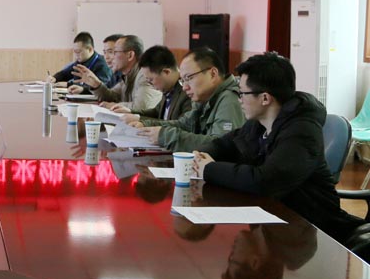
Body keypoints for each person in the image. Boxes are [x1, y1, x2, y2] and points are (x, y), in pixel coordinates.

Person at [193, 53, 365, 244]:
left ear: (265, 98)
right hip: (275, 221)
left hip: (314, 230)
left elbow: (265, 181)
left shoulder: (302, 132)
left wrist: (209, 169)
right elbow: (225, 144)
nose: (239, 99)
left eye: (242, 93)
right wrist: (202, 155)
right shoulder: (258, 123)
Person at [135, 48, 245, 152]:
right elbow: (184, 124)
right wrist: (146, 125)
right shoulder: (204, 97)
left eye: (189, 78)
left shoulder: (230, 100)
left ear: (213, 74)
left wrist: (166, 136)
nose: (184, 87)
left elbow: (221, 147)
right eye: (183, 80)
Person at [73, 34, 161, 112]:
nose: (110, 57)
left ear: (130, 55)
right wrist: (97, 85)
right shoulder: (127, 75)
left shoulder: (144, 75)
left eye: (114, 52)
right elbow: (113, 96)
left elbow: (142, 107)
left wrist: (114, 105)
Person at [114, 45, 191, 123]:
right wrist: (130, 111)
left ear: (166, 72)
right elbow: (156, 112)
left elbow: (179, 125)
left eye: (151, 80)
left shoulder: (188, 92)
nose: (150, 84)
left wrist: (140, 120)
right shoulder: (169, 87)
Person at [44, 31, 112, 91]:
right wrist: (54, 78)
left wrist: (69, 84)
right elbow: (65, 73)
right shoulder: (80, 61)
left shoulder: (103, 64)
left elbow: (102, 87)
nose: (76, 55)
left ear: (90, 49)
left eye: (78, 52)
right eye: (75, 52)